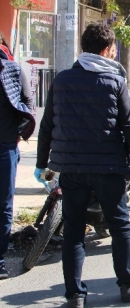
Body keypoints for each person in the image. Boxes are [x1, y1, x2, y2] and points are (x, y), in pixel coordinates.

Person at [34, 23, 130, 307]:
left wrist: (41, 163)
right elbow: (129, 125)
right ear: (108, 50)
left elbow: (47, 125)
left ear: (83, 47)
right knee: (120, 226)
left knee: (73, 231)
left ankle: (74, 295)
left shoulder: (61, 80)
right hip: (108, 170)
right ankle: (128, 284)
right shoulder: (115, 82)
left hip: (70, 170)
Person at [0, 47, 35, 280]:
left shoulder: (11, 69)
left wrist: (20, 132)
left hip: (5, 147)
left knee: (3, 205)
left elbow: (28, 101)